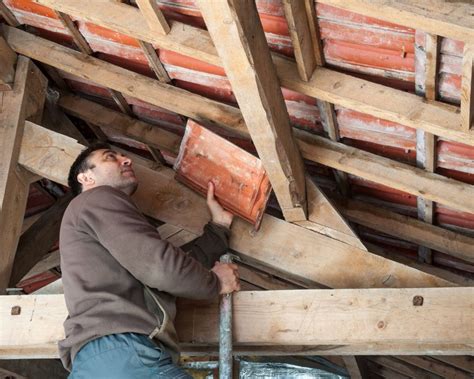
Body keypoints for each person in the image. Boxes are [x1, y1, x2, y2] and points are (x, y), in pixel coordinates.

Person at [59, 142, 240, 378]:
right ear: (86, 178)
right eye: (110, 157)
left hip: (95, 362)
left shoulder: (96, 226)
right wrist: (215, 283)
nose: (126, 160)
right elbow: (160, 266)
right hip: (123, 352)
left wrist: (218, 228)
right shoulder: (98, 198)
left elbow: (169, 267)